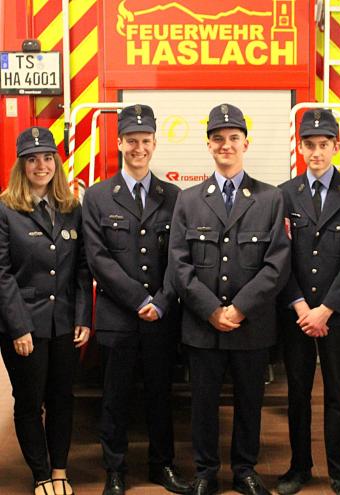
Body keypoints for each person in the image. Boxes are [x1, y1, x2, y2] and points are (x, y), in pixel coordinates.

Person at [169, 103, 291, 495]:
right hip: (202, 325)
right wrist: (211, 310)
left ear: (246, 144)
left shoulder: (270, 198)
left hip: (250, 324)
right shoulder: (188, 199)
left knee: (249, 401)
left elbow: (277, 264)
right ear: (208, 145)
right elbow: (179, 264)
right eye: (218, 138)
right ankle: (205, 472)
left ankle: (245, 470)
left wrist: (238, 309)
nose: (226, 145)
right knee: (202, 403)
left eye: (233, 138)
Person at [82, 104, 189, 495]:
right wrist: (140, 300)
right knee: (115, 397)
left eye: (145, 140)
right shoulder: (97, 197)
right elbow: (98, 258)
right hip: (118, 317)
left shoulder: (173, 196)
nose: (138, 148)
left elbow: (180, 257)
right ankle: (115, 470)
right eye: (131, 140)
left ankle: (163, 466)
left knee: (161, 394)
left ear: (155, 143)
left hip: (161, 316)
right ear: (119, 142)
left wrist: (161, 301)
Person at [276, 109, 340, 495]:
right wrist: (301, 306)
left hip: (337, 314)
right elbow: (279, 256)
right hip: (297, 315)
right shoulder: (284, 194)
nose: (316, 152)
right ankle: (299, 467)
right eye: (309, 145)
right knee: (297, 394)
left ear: (335, 146)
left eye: (323, 144)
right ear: (300, 147)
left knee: (338, 395)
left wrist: (326, 309)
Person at [0, 126, 92, 495]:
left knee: (62, 399)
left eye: (47, 158)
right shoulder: (6, 210)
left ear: (56, 162)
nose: (41, 165)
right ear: (21, 166)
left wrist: (83, 316)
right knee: (29, 401)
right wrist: (19, 327)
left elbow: (82, 269)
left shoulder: (71, 208)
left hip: (64, 323)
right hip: (24, 326)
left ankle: (59, 470)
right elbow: (2, 274)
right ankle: (40, 475)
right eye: (32, 159)